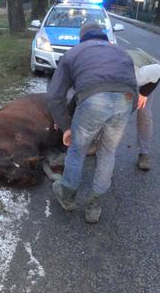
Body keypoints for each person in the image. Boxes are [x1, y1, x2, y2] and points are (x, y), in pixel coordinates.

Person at [47, 21, 138, 223]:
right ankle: (94, 205)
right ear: (103, 36)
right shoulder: (121, 53)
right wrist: (121, 114)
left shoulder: (74, 53)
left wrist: (65, 127)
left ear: (82, 37)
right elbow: (134, 90)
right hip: (125, 100)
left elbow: (54, 96)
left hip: (93, 101)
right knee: (107, 152)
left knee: (78, 150)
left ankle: (67, 195)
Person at [127, 49, 160, 171]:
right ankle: (96, 143)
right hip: (126, 76)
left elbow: (159, 70)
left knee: (144, 113)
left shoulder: (142, 73)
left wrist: (144, 94)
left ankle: (144, 154)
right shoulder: (106, 70)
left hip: (148, 76)